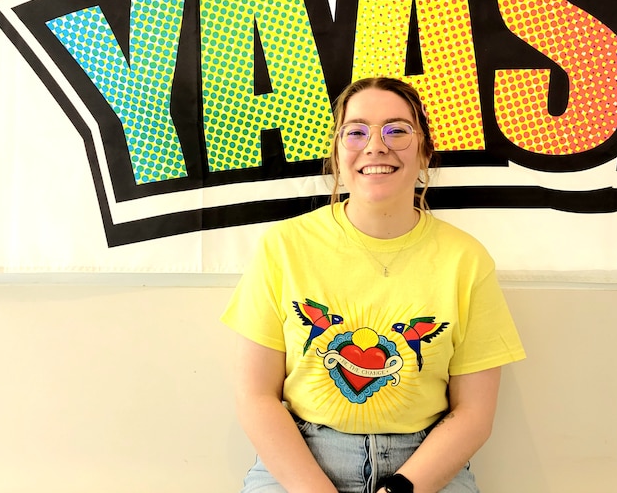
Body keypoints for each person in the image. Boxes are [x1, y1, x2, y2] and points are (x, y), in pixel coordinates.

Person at [220, 76, 526, 493]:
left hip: (423, 467)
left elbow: (473, 414)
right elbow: (255, 397)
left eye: (397, 130)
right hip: (300, 460)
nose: (376, 145)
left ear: (424, 153)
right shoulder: (283, 247)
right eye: (357, 131)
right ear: (337, 152)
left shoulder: (466, 260)